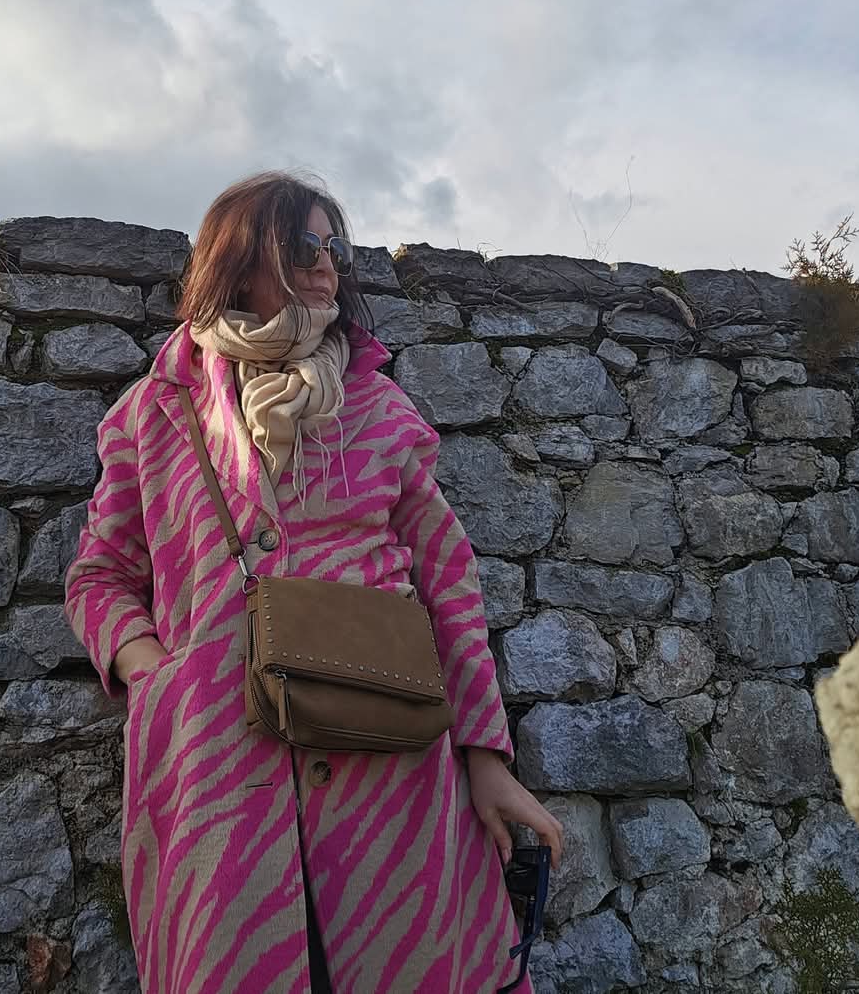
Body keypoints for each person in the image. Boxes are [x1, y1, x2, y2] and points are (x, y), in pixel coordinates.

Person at [65, 171, 564, 994]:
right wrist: (158, 674)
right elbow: (100, 577)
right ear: (240, 261)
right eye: (303, 245)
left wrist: (485, 754)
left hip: (391, 782)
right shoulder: (152, 415)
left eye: (336, 248)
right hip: (218, 778)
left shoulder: (381, 409)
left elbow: (448, 583)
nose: (327, 264)